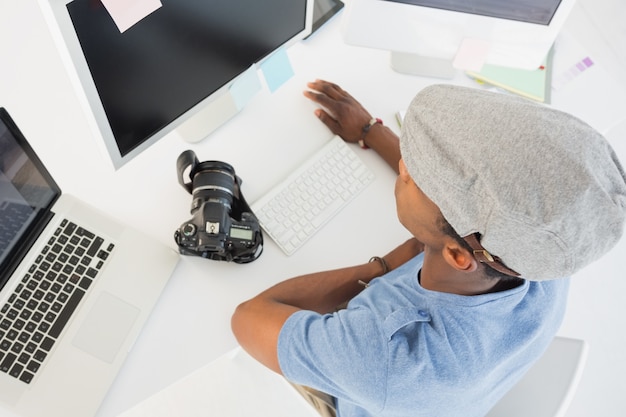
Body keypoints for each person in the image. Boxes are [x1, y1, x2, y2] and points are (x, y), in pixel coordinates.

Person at [231, 80, 626, 417]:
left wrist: (385, 265)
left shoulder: (387, 359)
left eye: (417, 174)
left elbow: (247, 317)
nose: (405, 166)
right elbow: (469, 200)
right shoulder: (546, 253)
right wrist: (371, 130)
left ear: (457, 255)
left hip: (370, 389)